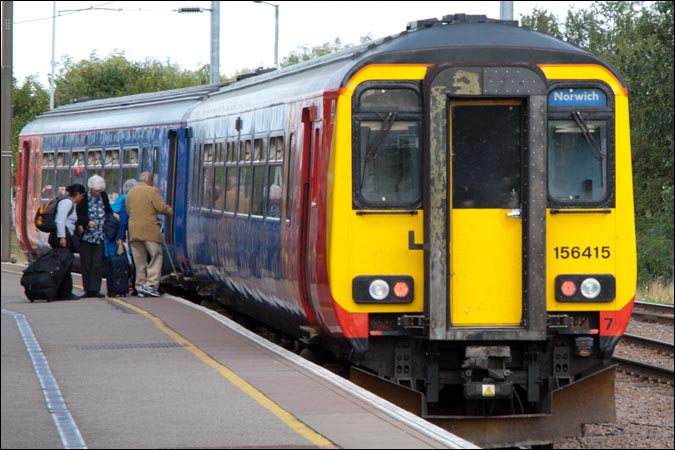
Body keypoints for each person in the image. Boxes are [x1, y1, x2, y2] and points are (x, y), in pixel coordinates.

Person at [125, 171, 173, 297]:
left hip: (134, 230)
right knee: (156, 256)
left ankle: (139, 286)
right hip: (149, 230)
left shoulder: (131, 192)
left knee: (139, 260)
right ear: (150, 181)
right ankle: (151, 285)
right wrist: (170, 210)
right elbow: (160, 207)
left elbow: (128, 209)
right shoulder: (152, 191)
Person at [76, 174, 117, 298]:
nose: (97, 193)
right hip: (86, 236)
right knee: (87, 262)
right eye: (95, 191)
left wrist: (114, 216)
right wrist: (87, 222)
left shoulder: (103, 196)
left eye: (99, 191)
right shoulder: (84, 198)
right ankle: (88, 289)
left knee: (97, 263)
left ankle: (95, 289)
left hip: (100, 235)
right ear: (90, 189)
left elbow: (108, 209)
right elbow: (78, 216)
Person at [48, 183, 86, 300]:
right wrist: (62, 237)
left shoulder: (70, 204)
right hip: (63, 238)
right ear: (78, 194)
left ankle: (62, 291)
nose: (82, 198)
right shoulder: (67, 203)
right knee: (65, 265)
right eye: (82, 195)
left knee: (64, 265)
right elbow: (60, 220)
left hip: (65, 236)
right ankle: (65, 292)